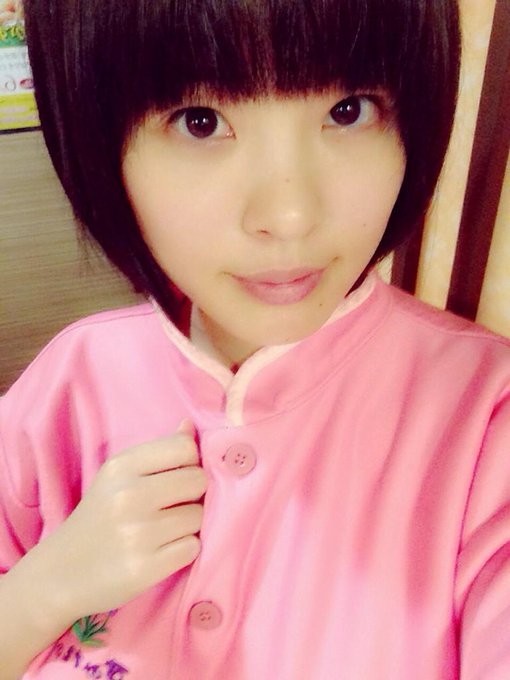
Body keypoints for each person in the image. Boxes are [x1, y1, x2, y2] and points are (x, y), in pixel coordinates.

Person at [1, 0, 509, 678]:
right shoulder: (70, 382)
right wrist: (42, 590)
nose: (289, 215)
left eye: (348, 111)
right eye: (201, 121)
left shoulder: (485, 422)